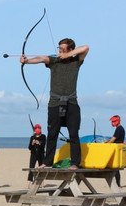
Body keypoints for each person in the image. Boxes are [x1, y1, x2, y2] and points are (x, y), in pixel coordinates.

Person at [20, 38, 90, 169]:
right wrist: (27, 61)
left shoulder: (76, 61)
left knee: (74, 134)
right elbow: (41, 58)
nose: (59, 51)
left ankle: (75, 163)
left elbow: (86, 47)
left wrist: (68, 55)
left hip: (72, 103)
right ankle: (47, 162)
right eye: (59, 48)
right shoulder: (54, 61)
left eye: (62, 49)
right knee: (52, 133)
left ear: (70, 49)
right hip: (54, 104)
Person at [104, 114, 125, 186]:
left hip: (117, 149)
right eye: (112, 122)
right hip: (118, 149)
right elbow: (114, 138)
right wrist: (108, 141)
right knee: (116, 169)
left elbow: (113, 139)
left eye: (114, 121)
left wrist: (107, 143)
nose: (112, 123)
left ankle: (118, 184)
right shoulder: (119, 128)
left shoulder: (119, 129)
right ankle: (117, 184)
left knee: (116, 168)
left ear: (118, 121)